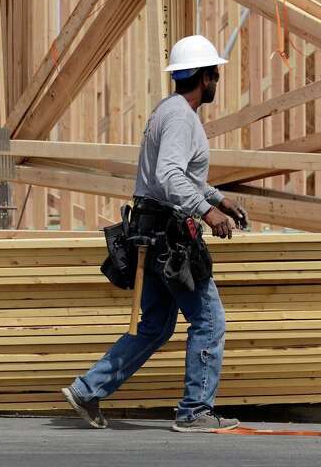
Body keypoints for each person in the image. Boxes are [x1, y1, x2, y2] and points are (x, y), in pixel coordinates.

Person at [62, 34, 249, 433]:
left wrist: (218, 197)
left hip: (152, 234)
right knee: (209, 320)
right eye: (215, 72)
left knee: (156, 325)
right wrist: (208, 212)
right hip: (169, 237)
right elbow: (168, 176)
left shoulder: (169, 110)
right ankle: (195, 411)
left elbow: (179, 175)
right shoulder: (182, 117)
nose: (217, 78)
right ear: (205, 76)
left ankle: (87, 389)